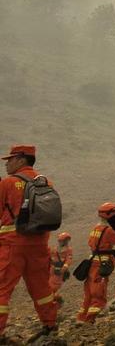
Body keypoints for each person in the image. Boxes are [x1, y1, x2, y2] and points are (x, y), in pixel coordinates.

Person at [0, 145, 58, 339]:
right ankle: (50, 325)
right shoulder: (46, 182)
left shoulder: (8, 183)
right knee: (41, 287)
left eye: (11, 159)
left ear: (22, 159)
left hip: (12, 244)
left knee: (2, 288)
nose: (7, 163)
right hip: (40, 244)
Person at [77, 203, 115, 323]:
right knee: (98, 292)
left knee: (89, 292)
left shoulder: (95, 229)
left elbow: (92, 244)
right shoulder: (108, 230)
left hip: (92, 262)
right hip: (102, 264)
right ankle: (90, 320)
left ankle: (81, 319)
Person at [49, 232, 73, 306]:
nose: (63, 242)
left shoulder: (68, 250)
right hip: (51, 271)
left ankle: (58, 301)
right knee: (47, 289)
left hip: (59, 273)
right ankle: (56, 301)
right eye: (62, 240)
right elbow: (48, 258)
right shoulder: (53, 249)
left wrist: (63, 269)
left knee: (51, 289)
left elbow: (68, 260)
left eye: (65, 240)